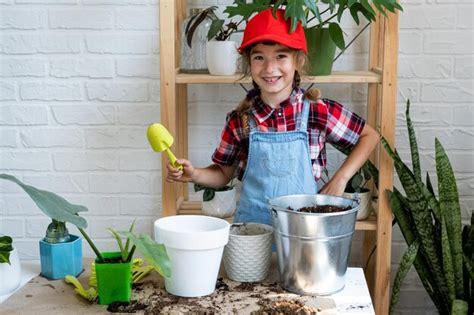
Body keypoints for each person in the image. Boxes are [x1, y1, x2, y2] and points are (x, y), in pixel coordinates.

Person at [166, 8, 379, 226]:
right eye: (259, 57)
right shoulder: (240, 121)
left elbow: (369, 136)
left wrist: (341, 178)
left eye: (281, 56)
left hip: (305, 233)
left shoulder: (318, 111)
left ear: (298, 61)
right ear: (249, 62)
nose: (270, 68)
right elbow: (223, 173)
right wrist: (195, 175)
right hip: (254, 233)